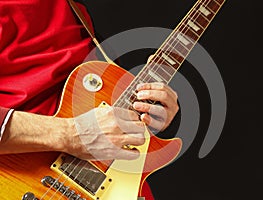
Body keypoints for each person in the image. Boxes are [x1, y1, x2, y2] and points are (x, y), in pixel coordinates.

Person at [0, 0, 179, 199]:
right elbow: (84, 130)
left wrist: (146, 111)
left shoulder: (72, 8)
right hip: (23, 185)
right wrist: (73, 133)